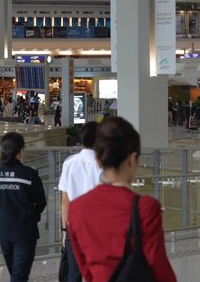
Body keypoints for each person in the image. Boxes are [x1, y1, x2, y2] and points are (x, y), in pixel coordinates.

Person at [68, 117, 176, 282]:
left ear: (98, 160)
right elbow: (159, 268)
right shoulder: (145, 208)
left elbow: (86, 271)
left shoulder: (76, 208)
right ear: (132, 160)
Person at [0, 132, 47, 282]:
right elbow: (41, 201)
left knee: (15, 273)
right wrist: (32, 216)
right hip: (24, 231)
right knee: (19, 276)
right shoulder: (28, 175)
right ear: (20, 151)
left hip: (3, 231)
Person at [57, 122, 101, 282]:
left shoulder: (69, 163)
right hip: (98, 228)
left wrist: (64, 230)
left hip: (74, 227)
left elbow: (65, 201)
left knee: (73, 274)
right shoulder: (105, 165)